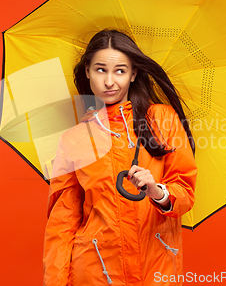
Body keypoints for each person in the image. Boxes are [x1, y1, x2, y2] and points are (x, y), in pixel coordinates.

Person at [43, 29, 197, 285]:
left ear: (133, 74)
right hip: (94, 272)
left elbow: (185, 194)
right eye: (101, 69)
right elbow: (62, 221)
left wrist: (156, 191)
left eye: (120, 71)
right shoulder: (75, 139)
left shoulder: (162, 119)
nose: (110, 81)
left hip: (155, 269)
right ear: (87, 72)